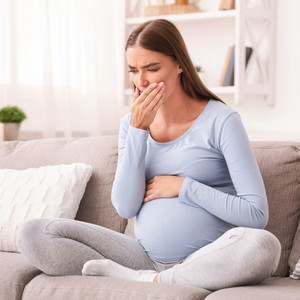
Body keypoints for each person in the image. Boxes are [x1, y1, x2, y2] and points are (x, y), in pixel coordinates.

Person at [17, 19, 281, 291]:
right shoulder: (130, 126)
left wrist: (184, 187)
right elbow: (125, 207)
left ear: (179, 64)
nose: (141, 82)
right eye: (133, 71)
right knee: (33, 234)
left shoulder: (222, 120)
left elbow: (256, 214)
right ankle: (149, 276)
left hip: (210, 257)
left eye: (152, 69)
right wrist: (138, 129)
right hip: (141, 258)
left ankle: (156, 281)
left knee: (264, 245)